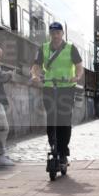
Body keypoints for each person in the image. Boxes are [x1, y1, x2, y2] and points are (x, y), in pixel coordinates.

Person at [30, 22, 84, 171]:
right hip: (49, 86)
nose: (55, 35)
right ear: (50, 34)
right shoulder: (44, 48)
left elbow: (79, 66)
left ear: (62, 34)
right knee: (51, 117)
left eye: (58, 33)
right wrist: (34, 75)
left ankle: (63, 151)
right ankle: (53, 144)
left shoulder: (71, 48)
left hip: (66, 88)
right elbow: (36, 66)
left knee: (64, 119)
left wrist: (76, 77)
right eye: (53, 33)